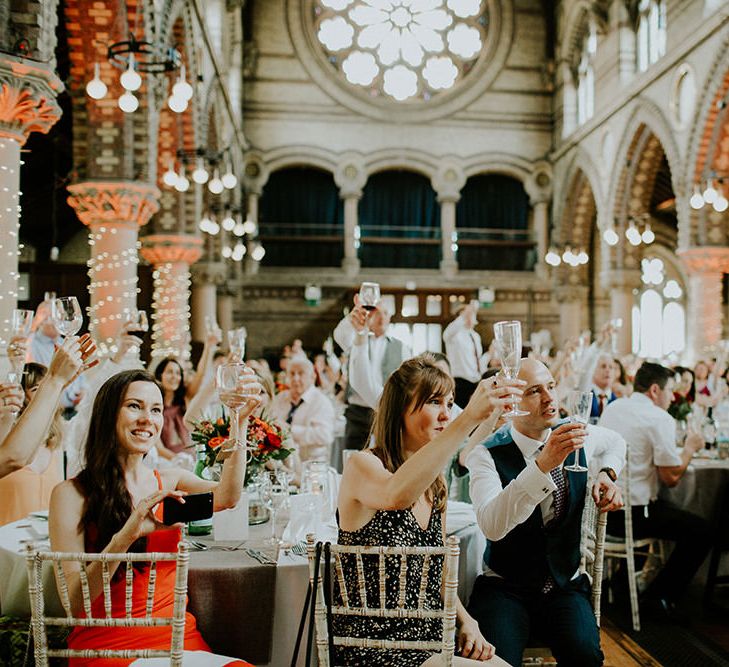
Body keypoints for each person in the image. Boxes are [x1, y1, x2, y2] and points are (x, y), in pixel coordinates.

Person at [49, 368, 261, 666]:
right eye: (134, 406)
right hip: (108, 645)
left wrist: (240, 421)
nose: (148, 418)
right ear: (108, 414)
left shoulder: (170, 481)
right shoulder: (70, 494)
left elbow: (228, 496)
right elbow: (74, 604)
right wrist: (126, 536)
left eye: (157, 409)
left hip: (177, 641)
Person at [338, 353, 521, 666]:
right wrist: (468, 419)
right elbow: (396, 494)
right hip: (375, 647)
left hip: (431, 641)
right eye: (435, 402)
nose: (445, 415)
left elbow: (434, 567)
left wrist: (466, 621)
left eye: (450, 404)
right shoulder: (363, 464)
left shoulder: (435, 483)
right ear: (400, 409)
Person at [466, 358, 625, 667]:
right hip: (506, 587)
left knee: (586, 655)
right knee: (496, 661)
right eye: (535, 391)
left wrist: (607, 473)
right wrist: (541, 467)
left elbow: (616, 442)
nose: (551, 398)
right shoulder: (486, 454)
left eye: (551, 386)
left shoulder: (575, 434)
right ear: (512, 403)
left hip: (565, 586)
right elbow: (491, 527)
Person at [599, 361, 713, 620]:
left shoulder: (614, 408)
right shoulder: (659, 418)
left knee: (666, 511)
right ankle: (660, 596)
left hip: (603, 511)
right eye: (670, 390)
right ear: (654, 390)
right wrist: (690, 448)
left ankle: (621, 582)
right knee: (702, 530)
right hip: (634, 516)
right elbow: (671, 477)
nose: (673, 397)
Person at [0, 336, 88, 479]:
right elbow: (14, 458)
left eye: (44, 387)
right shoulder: (9, 435)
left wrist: (59, 386)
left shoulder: (57, 437)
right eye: (36, 389)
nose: (43, 393)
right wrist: (55, 380)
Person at [334, 294, 408, 456]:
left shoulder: (401, 347)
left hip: (386, 409)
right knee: (354, 456)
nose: (382, 318)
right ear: (370, 315)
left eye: (386, 313)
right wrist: (352, 318)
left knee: (387, 456)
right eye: (378, 313)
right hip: (358, 412)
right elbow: (340, 336)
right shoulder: (356, 338)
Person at [0, 363, 66, 525]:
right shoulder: (6, 441)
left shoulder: (56, 445)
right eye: (38, 389)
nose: (47, 396)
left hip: (42, 545)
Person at [28, 301, 88, 418]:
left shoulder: (65, 343)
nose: (62, 319)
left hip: (75, 412)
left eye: (62, 315)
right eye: (56, 315)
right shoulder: (31, 344)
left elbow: (81, 376)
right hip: (48, 414)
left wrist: (83, 391)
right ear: (42, 319)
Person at [270, 355, 334, 462]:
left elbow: (325, 435)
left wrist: (289, 430)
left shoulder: (321, 402)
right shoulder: (281, 397)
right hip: (280, 462)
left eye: (301, 373)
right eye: (292, 373)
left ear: (312, 377)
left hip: (310, 464)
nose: (295, 378)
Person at [443, 302, 487, 407]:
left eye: (471, 315)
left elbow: (477, 360)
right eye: (466, 315)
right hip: (460, 382)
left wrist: (489, 354)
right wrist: (468, 311)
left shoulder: (475, 336)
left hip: (476, 381)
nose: (469, 317)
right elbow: (452, 329)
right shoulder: (453, 335)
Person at [154, 357, 192, 459]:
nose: (174, 377)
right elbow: (159, 448)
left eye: (178, 373)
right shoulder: (155, 406)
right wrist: (179, 461)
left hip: (190, 457)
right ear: (160, 375)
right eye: (170, 372)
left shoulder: (184, 402)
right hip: (167, 461)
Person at [590, 353, 617, 419]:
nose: (608, 370)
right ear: (593, 371)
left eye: (611, 367)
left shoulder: (617, 401)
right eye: (603, 366)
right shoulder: (586, 397)